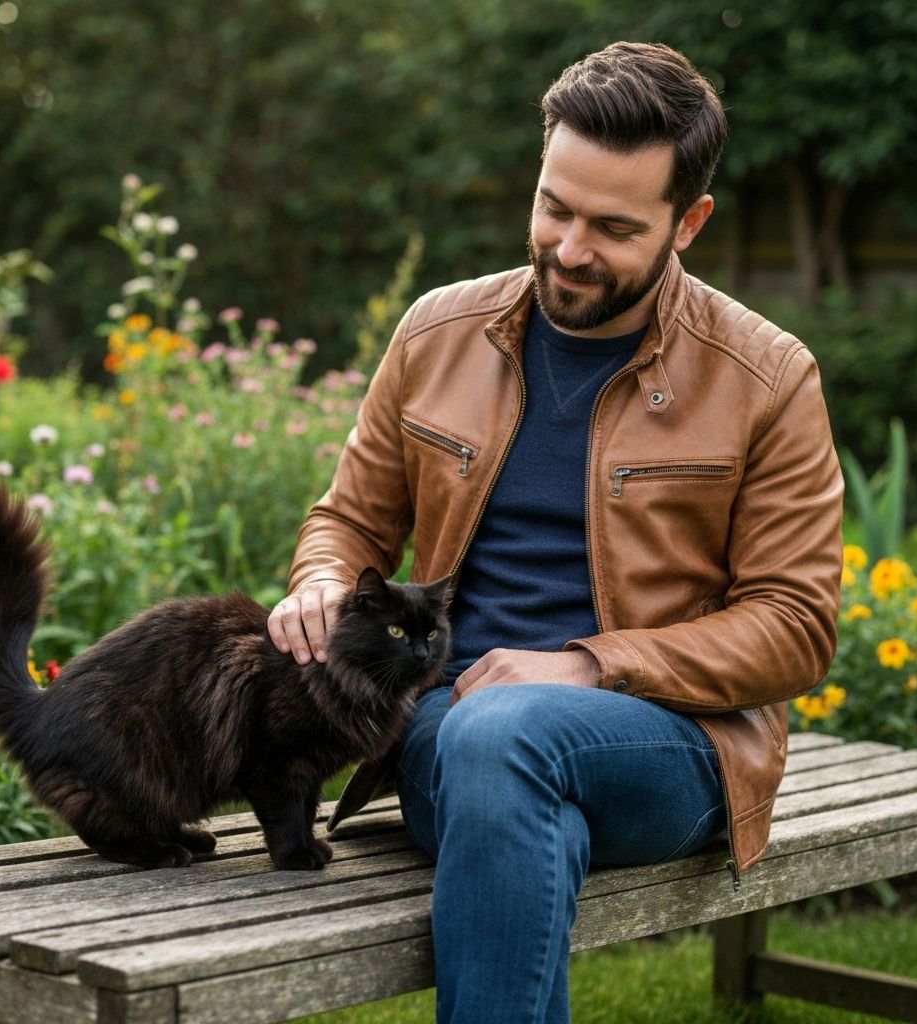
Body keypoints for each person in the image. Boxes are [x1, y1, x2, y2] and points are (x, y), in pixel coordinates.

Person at [268, 41, 843, 1024]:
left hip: (673, 746)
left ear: (688, 221)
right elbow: (349, 520)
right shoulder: (436, 332)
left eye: (613, 227)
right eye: (553, 207)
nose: (569, 247)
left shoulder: (766, 376)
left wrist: (585, 664)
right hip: (446, 734)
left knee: (508, 736)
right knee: (505, 775)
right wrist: (319, 578)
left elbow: (794, 626)